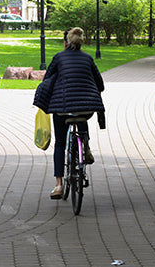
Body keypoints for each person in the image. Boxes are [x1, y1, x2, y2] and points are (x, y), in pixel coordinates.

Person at [33, 27, 105, 200]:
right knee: (82, 118)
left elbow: (46, 80)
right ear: (81, 42)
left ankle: (58, 185)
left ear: (66, 43)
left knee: (59, 144)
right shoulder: (88, 59)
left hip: (62, 108)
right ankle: (85, 147)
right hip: (86, 108)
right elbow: (100, 84)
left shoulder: (58, 58)